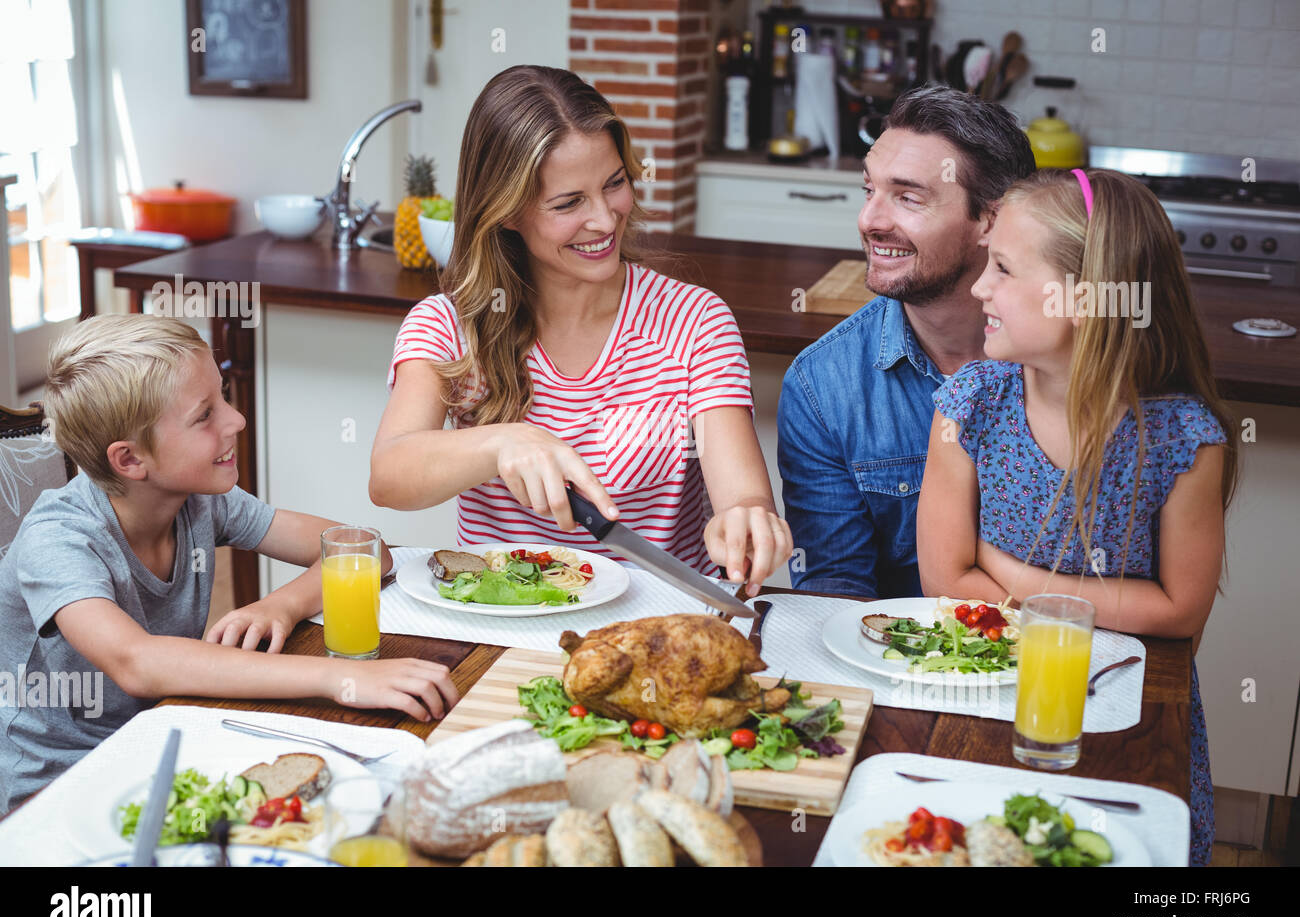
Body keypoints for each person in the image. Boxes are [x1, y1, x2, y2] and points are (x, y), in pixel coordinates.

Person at [0, 314, 459, 814]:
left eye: (222, 397)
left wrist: (281, 607)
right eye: (205, 415)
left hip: (165, 735)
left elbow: (367, 548)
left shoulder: (199, 499)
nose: (236, 420)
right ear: (130, 461)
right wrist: (337, 681)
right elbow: (138, 663)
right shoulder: (60, 539)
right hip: (57, 781)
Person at [918, 168, 1237, 866]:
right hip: (990, 704)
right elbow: (945, 581)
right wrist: (1101, 605)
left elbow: (1180, 610)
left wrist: (1005, 572)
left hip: (1128, 720)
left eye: (1002, 268)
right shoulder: (969, 402)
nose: (979, 288)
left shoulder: (1182, 439)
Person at [371, 66, 790, 593]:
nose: (605, 219)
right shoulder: (449, 326)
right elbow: (389, 475)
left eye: (614, 184)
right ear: (506, 212)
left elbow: (743, 497)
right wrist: (503, 442)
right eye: (569, 203)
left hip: (656, 624)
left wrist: (749, 520)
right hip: (503, 621)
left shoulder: (695, 321)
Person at [777, 87, 1035, 597]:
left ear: (990, 219)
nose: (870, 220)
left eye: (908, 198)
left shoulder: (1074, 363)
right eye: (868, 190)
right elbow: (834, 589)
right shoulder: (821, 384)